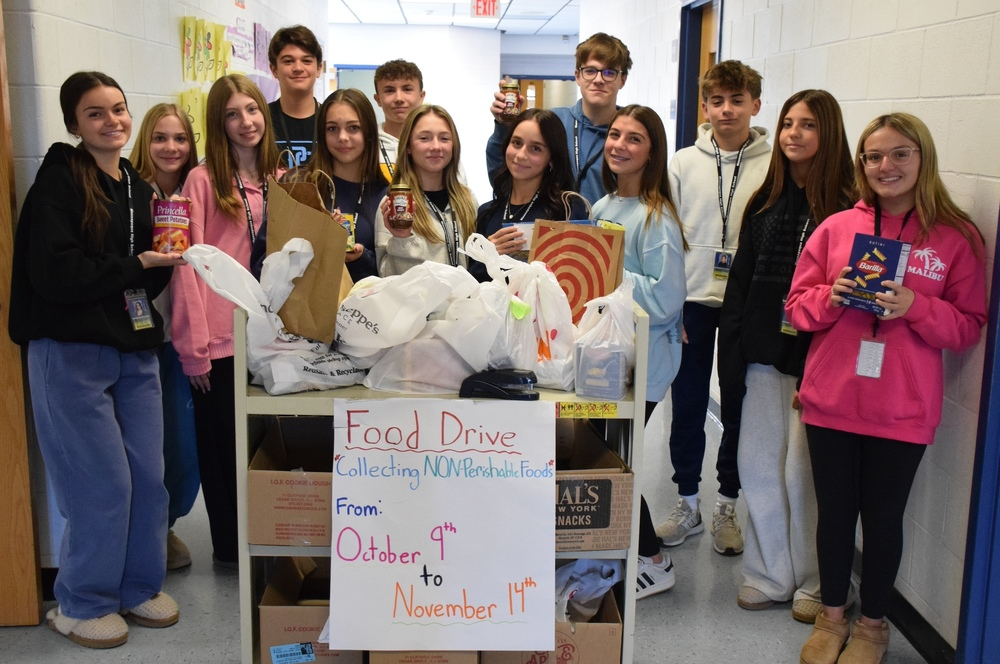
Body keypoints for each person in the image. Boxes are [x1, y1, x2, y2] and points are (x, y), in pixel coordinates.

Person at [788, 113, 986, 664]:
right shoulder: (835, 228)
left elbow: (970, 324)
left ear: (923, 158)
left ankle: (873, 627)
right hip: (831, 401)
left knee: (882, 518)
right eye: (873, 157)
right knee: (834, 514)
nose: (885, 166)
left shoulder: (954, 236)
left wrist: (916, 307)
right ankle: (831, 618)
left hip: (902, 409)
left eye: (899, 154)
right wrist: (830, 298)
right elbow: (796, 309)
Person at [8, 71, 184, 648]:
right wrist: (138, 266)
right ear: (73, 125)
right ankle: (81, 602)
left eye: (118, 109)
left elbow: (141, 268)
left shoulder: (136, 185)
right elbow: (55, 275)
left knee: (148, 480)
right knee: (100, 483)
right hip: (71, 349)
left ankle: (136, 588)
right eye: (95, 113)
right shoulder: (59, 183)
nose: (112, 121)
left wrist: (158, 265)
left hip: (133, 347)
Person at [717, 90, 856, 622]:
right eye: (788, 124)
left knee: (806, 476)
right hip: (759, 356)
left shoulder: (846, 207)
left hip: (816, 365)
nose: (794, 134)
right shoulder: (764, 200)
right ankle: (769, 573)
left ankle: (816, 582)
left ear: (831, 135)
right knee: (759, 468)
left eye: (809, 126)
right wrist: (731, 355)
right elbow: (741, 287)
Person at [658, 59, 772, 556]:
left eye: (737, 100)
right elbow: (669, 235)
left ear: (755, 105)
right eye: (717, 101)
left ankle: (727, 503)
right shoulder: (682, 162)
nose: (726, 110)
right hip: (692, 302)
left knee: (740, 403)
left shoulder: (774, 164)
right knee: (686, 404)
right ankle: (688, 501)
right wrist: (672, 303)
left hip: (746, 305)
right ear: (705, 108)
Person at [171, 74, 282, 569]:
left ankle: (263, 541)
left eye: (253, 109)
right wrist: (193, 346)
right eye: (233, 113)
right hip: (217, 338)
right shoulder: (201, 180)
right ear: (219, 122)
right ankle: (231, 554)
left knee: (259, 446)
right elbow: (187, 267)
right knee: (222, 452)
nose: (246, 122)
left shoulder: (275, 176)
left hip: (266, 336)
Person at [591, 105, 688, 600]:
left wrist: (607, 271)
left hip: (644, 364)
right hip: (607, 358)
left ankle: (653, 559)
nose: (619, 145)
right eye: (614, 134)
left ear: (652, 152)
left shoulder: (658, 218)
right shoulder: (602, 208)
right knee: (604, 454)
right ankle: (619, 549)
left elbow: (668, 301)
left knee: (617, 459)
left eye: (634, 138)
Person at [130, 102, 201, 572]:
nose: (170, 148)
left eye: (179, 139)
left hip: (186, 331)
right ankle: (145, 531)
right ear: (145, 143)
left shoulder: (201, 190)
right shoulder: (130, 191)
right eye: (160, 138)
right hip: (138, 330)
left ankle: (169, 523)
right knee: (141, 441)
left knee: (180, 439)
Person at [254, 88, 388, 282]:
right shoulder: (297, 185)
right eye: (332, 128)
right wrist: (312, 245)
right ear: (322, 134)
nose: (342, 137)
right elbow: (261, 262)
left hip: (364, 309)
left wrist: (359, 259)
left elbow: (392, 275)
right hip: (302, 308)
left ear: (368, 133)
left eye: (353, 128)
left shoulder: (383, 195)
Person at [486, 32, 631, 206]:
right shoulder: (552, 123)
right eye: (590, 71)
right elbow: (503, 177)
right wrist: (504, 125)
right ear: (577, 76)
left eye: (609, 72)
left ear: (622, 80)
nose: (598, 80)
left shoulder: (630, 136)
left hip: (608, 230)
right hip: (549, 229)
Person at [471, 108, 589, 281]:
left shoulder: (567, 209)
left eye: (535, 148)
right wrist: (488, 255)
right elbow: (471, 282)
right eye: (517, 143)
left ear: (552, 158)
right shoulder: (487, 213)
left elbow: (579, 278)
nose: (521, 155)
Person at [374, 104, 477, 276]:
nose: (436, 146)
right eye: (424, 138)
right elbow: (387, 277)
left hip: (462, 301)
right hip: (415, 302)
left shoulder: (467, 200)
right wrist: (402, 239)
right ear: (408, 147)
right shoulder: (394, 205)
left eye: (444, 138)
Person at [268, 25, 322, 168]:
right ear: (274, 70)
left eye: (306, 61)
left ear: (318, 69)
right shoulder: (261, 120)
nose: (298, 68)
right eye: (288, 61)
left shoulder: (331, 120)